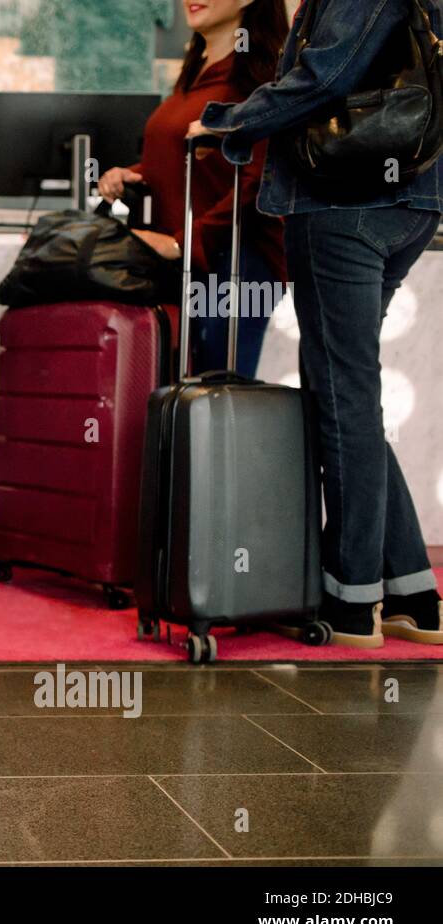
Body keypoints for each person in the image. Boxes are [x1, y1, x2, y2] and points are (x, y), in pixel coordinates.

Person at [188, 0, 443, 646]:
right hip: (403, 195)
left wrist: (228, 122)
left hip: (346, 200)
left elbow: (326, 75)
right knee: (344, 387)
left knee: (343, 392)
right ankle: (411, 589)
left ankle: (353, 597)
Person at [99, 0, 289, 377]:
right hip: (191, 263)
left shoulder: (260, 77)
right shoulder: (197, 73)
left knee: (217, 399)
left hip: (236, 261)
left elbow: (261, 176)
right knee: (186, 399)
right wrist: (134, 173)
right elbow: (191, 157)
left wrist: (184, 242)